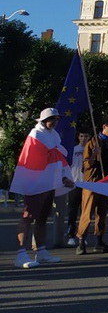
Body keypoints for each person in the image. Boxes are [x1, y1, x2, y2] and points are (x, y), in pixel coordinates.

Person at [10, 108, 74, 268]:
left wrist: (63, 177)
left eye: (56, 119)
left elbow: (57, 160)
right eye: (52, 119)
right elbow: (34, 161)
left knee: (42, 218)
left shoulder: (53, 136)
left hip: (49, 183)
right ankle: (20, 254)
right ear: (44, 120)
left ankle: (41, 251)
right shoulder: (36, 135)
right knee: (27, 217)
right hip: (36, 183)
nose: (55, 122)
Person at [76, 119, 108, 255]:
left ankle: (99, 240)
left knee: (102, 213)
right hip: (93, 182)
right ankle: (81, 241)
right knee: (87, 212)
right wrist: (95, 154)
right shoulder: (92, 142)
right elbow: (86, 165)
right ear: (104, 127)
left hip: (107, 181)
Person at [66, 130, 90, 246]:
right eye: (81, 136)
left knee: (85, 212)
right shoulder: (74, 150)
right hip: (75, 183)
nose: (83, 138)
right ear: (78, 137)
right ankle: (71, 234)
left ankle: (82, 235)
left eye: (86, 136)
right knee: (72, 210)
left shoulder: (91, 149)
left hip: (87, 183)